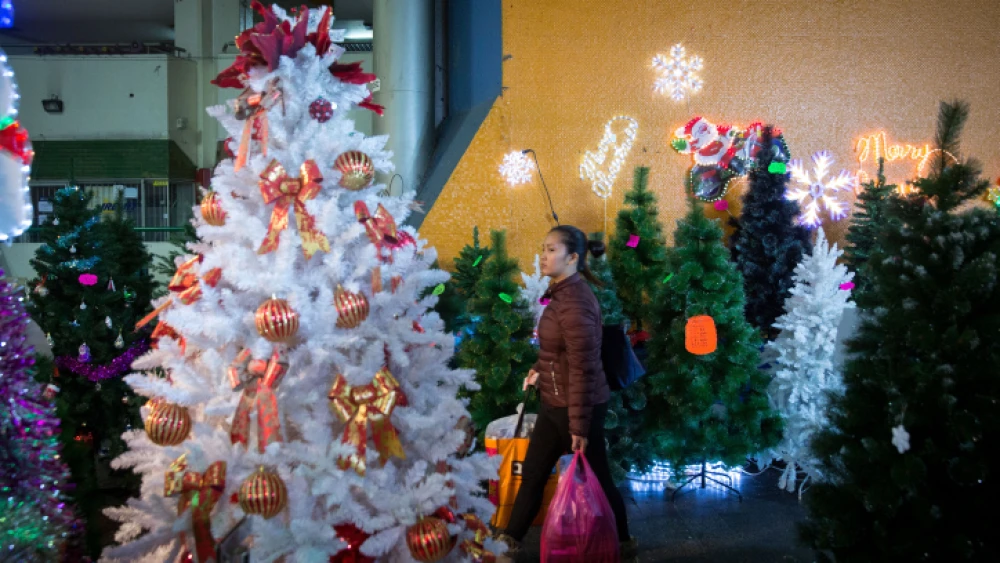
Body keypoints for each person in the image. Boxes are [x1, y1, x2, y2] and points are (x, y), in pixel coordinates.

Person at [495, 225, 636, 561]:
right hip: (557, 400)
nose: (544, 256)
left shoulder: (574, 301)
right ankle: (508, 543)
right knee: (534, 473)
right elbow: (559, 353)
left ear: (573, 257)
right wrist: (540, 370)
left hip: (574, 405)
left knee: (597, 476)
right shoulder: (563, 292)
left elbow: (584, 368)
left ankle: (625, 542)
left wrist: (579, 427)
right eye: (543, 248)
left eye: (551, 250)